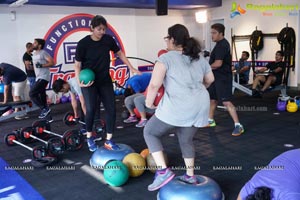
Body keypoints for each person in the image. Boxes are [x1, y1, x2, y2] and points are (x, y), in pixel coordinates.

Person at [143, 24, 214, 191]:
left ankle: (163, 172)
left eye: (167, 38)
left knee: (150, 132)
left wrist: (148, 103)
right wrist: (194, 89)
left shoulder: (165, 58)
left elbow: (154, 85)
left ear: (173, 39)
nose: (166, 41)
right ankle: (190, 176)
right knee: (185, 139)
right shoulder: (198, 57)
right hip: (200, 104)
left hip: (179, 105)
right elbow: (210, 80)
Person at [74, 15, 140, 152]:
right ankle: (89, 137)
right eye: (99, 29)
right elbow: (77, 65)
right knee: (91, 109)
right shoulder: (83, 43)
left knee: (111, 109)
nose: (102, 32)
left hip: (105, 80)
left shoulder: (108, 40)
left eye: (104, 29)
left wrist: (131, 67)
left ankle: (109, 139)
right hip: (89, 82)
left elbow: (120, 54)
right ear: (92, 28)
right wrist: (79, 82)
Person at [207, 23, 244, 136]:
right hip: (216, 77)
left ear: (221, 33)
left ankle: (238, 125)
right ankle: (210, 120)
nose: (212, 35)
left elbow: (218, 63)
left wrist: (205, 68)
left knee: (226, 101)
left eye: (214, 33)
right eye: (211, 33)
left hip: (222, 78)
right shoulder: (220, 44)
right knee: (213, 99)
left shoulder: (222, 45)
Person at [29, 38, 55, 119]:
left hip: (43, 77)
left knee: (32, 93)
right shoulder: (34, 54)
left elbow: (52, 62)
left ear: (39, 45)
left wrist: (42, 65)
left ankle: (44, 108)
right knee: (41, 95)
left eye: (35, 43)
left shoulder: (43, 53)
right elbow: (36, 66)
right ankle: (48, 117)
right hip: (38, 77)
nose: (33, 44)